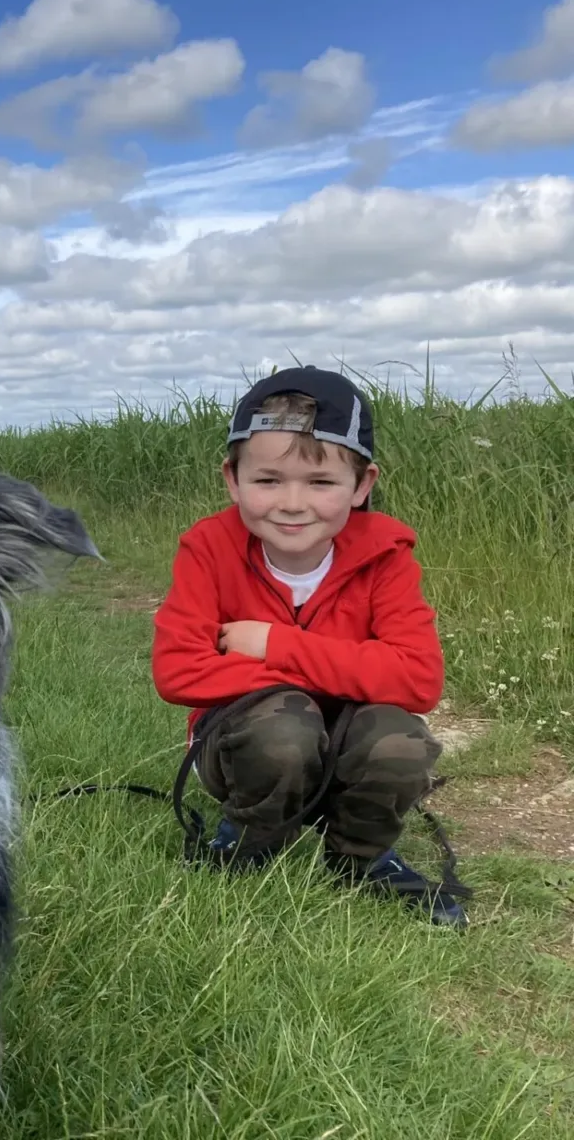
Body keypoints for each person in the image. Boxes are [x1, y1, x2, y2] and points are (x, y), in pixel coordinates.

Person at [150, 365, 466, 927]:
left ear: (362, 485)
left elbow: (419, 681)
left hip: (347, 742)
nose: (292, 503)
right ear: (232, 479)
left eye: (321, 483)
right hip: (246, 740)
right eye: (268, 480)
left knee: (399, 739)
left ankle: (359, 857)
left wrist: (273, 644)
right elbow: (177, 673)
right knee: (287, 727)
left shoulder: (387, 554)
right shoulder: (207, 547)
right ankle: (248, 843)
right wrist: (348, 675)